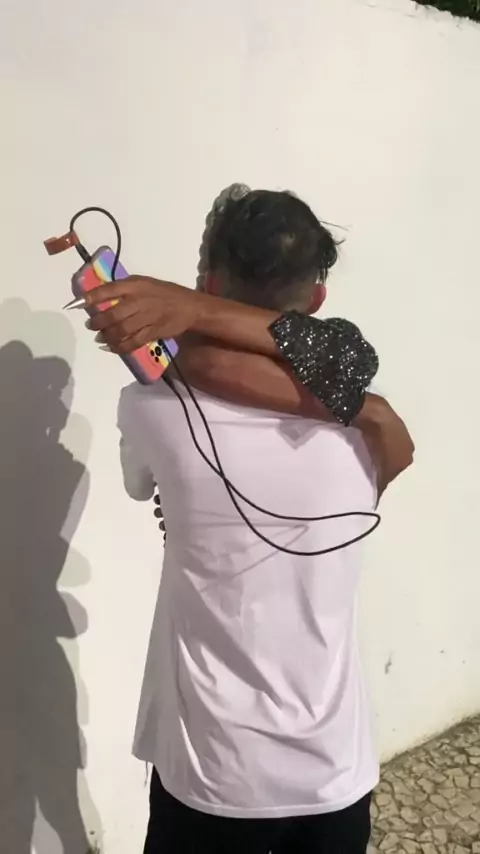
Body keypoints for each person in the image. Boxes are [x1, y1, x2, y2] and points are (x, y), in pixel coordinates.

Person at [78, 190, 414, 853]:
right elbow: (377, 439)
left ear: (208, 283)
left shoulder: (153, 406)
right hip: (334, 769)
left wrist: (190, 320)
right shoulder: (363, 414)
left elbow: (143, 482)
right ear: (317, 297)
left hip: (212, 772)